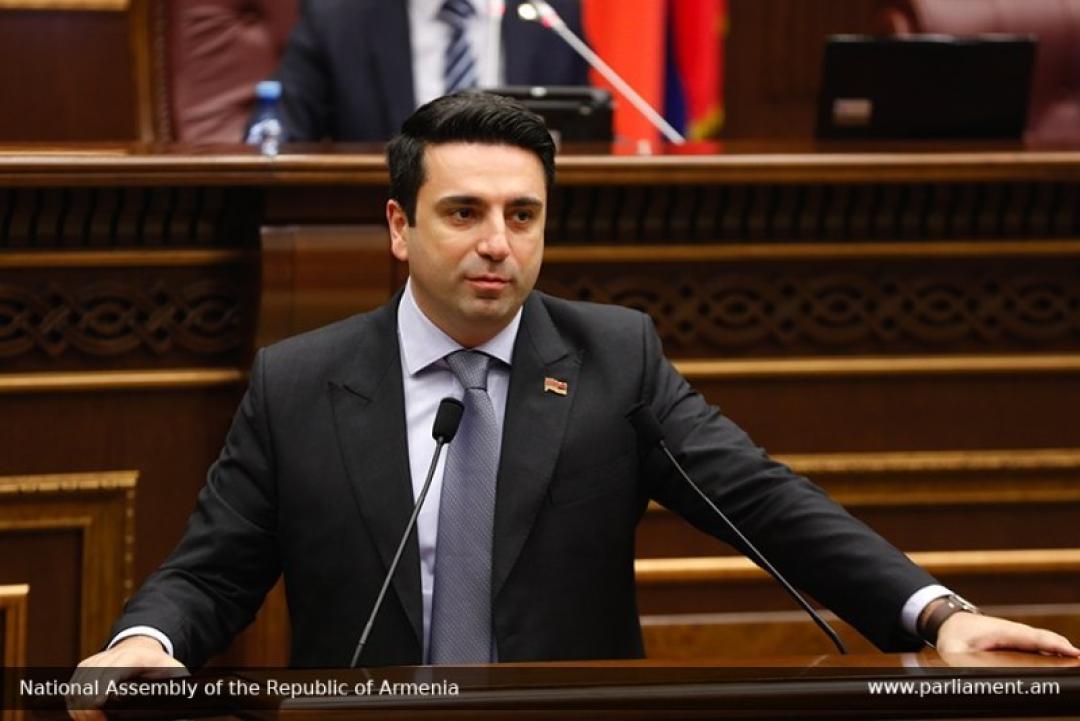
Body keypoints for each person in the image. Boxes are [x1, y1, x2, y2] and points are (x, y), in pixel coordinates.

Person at [72, 91, 1079, 716]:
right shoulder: (300, 380)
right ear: (399, 226)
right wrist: (142, 644)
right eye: (464, 212)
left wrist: (937, 614)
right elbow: (212, 570)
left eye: (523, 215)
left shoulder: (613, 358)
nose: (497, 243)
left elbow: (766, 501)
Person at [272, 0, 589, 141]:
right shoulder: (337, 17)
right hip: (379, 230)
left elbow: (582, 133)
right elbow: (283, 132)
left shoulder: (551, 14)